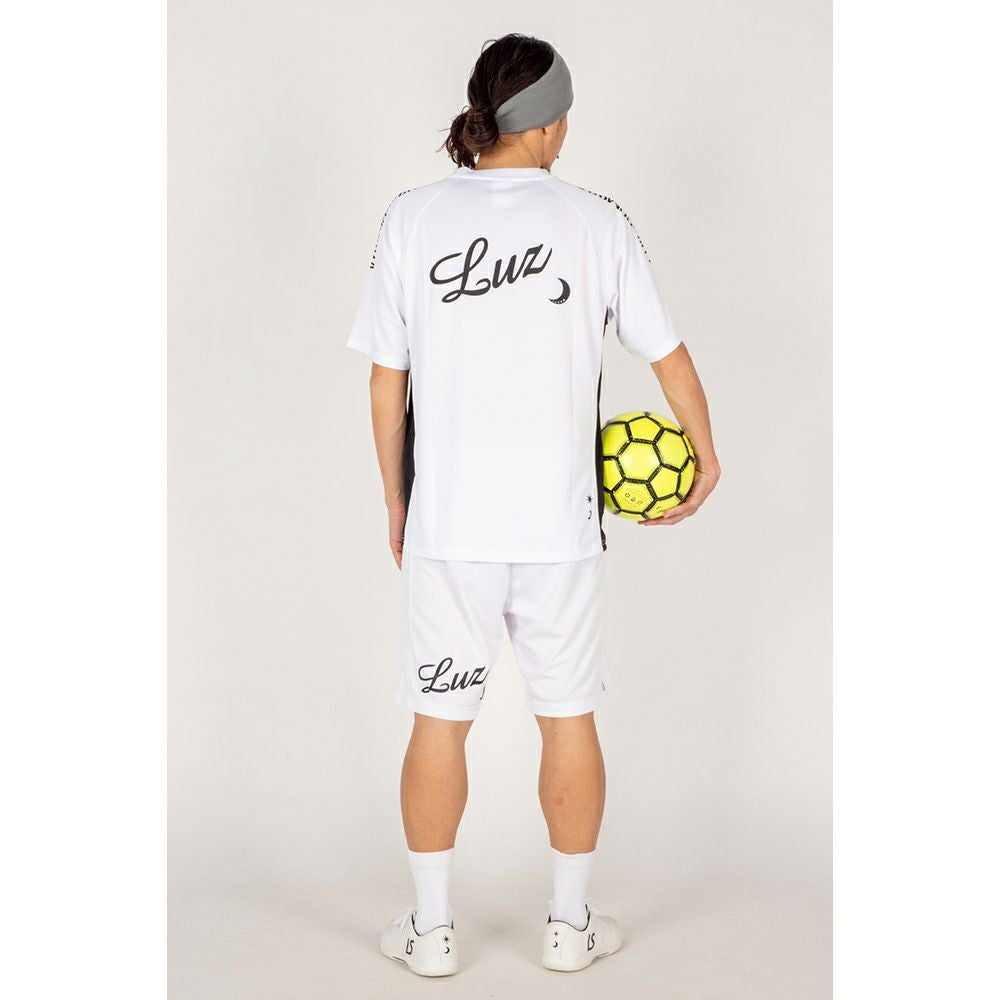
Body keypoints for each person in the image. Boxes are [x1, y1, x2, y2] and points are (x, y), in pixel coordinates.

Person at [347, 33, 721, 977]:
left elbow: (387, 386)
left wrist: (397, 501)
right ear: (548, 123)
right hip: (560, 531)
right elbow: (669, 357)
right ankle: (568, 926)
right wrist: (706, 456)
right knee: (568, 719)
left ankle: (433, 933)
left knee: (438, 723)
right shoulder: (597, 222)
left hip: (450, 531)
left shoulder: (412, 218)